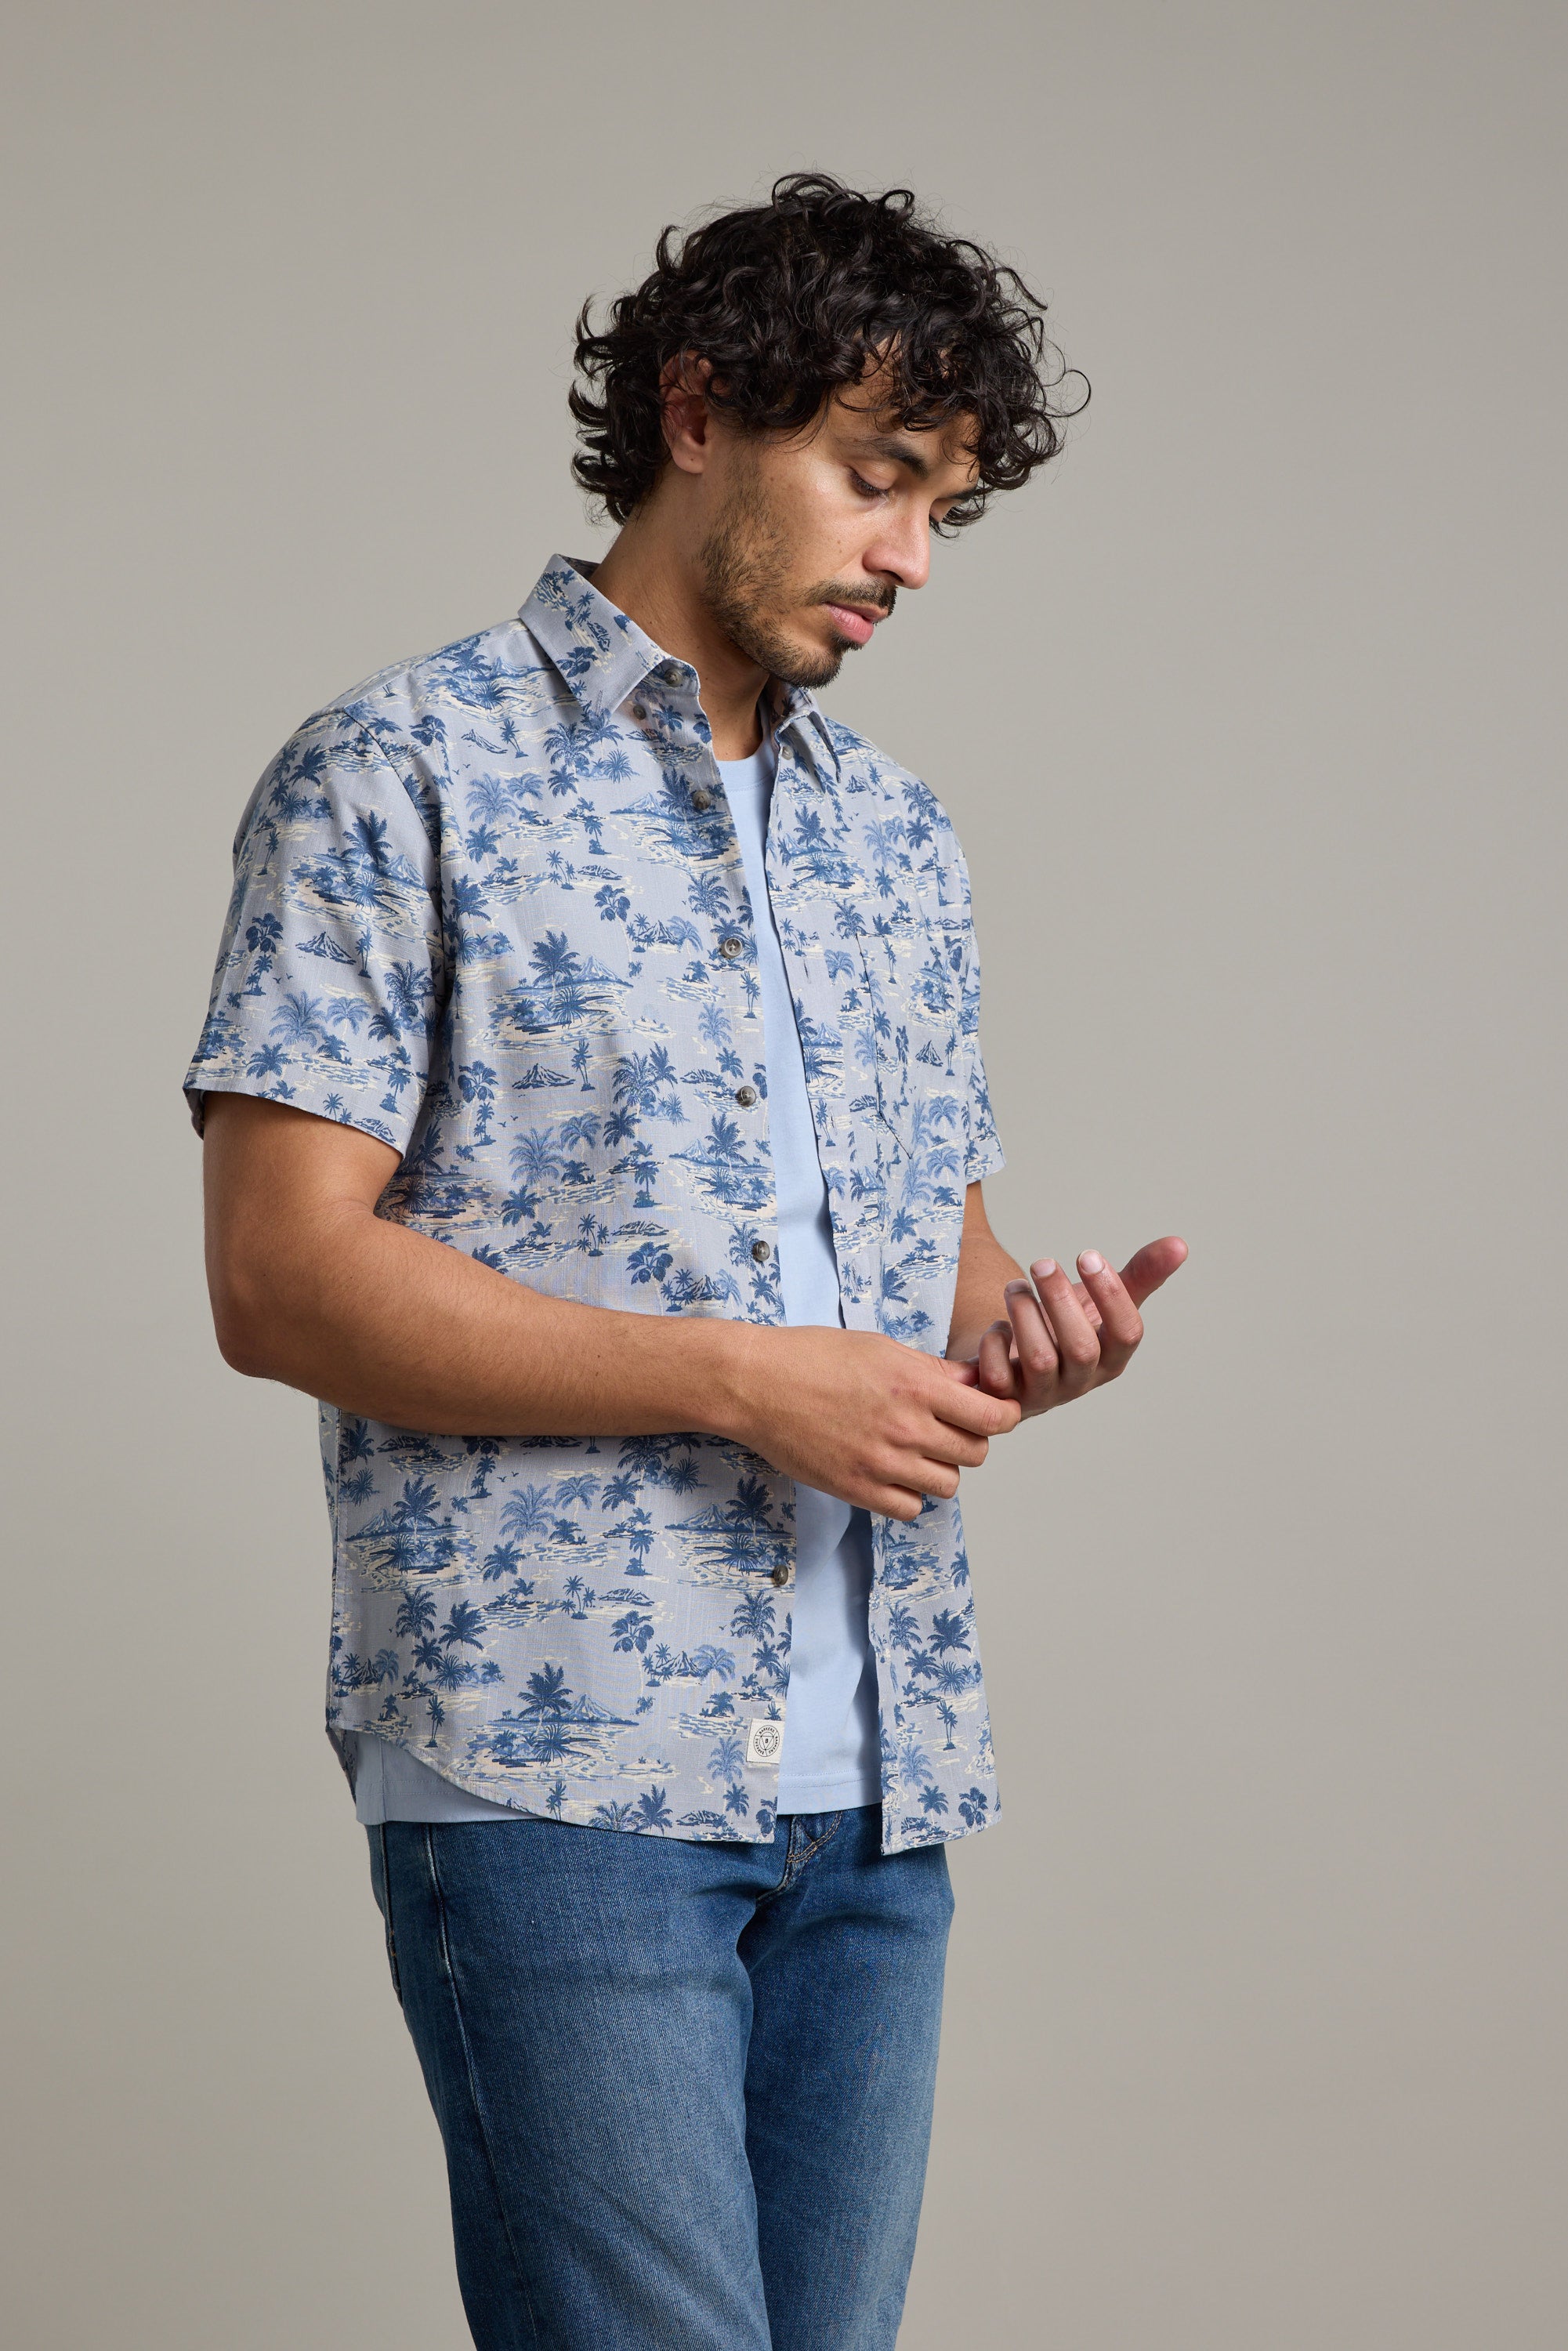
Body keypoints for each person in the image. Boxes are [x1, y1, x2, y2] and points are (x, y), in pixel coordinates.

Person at [183, 172, 1186, 2351]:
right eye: (878, 477)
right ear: (702, 411)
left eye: (946, 506)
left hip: (883, 1784)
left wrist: (1019, 1352)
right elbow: (279, 1285)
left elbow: (931, 1272)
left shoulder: (897, 840)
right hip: (562, 1777)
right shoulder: (396, 777)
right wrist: (743, 1378)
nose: (913, 553)